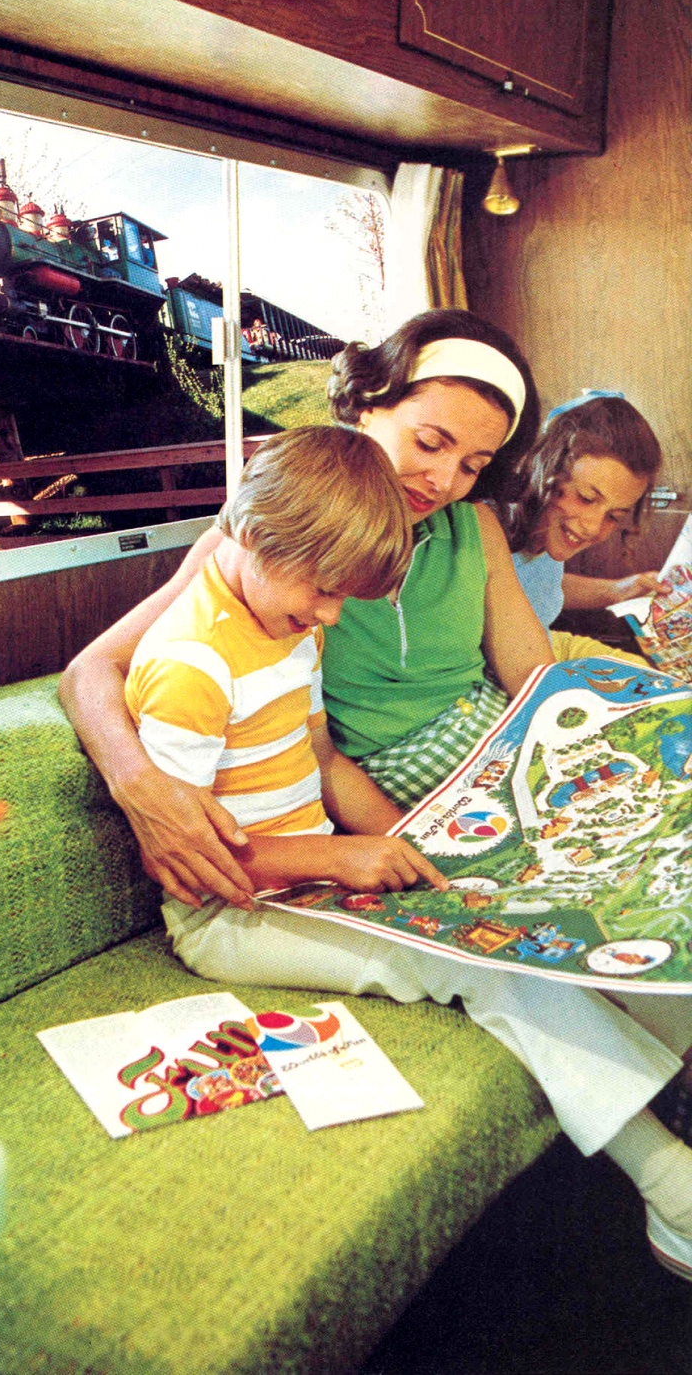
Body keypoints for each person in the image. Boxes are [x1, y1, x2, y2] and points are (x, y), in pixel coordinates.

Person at [58, 308, 692, 1280]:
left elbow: (530, 684)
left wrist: (624, 746)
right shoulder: (278, 543)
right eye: (428, 442)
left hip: (452, 794)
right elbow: (94, 670)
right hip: (317, 845)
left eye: (472, 464)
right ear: (364, 406)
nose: (440, 480)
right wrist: (143, 786)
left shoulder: (455, 537)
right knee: (508, 945)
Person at [126, 426, 447, 897]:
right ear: (254, 535)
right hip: (229, 905)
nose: (331, 617)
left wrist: (418, 848)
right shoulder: (191, 666)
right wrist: (335, 857)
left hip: (314, 881)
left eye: (344, 597)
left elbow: (324, 760)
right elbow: (181, 855)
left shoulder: (295, 627)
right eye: (325, 589)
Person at [496, 391, 663, 663]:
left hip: (544, 641)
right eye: (586, 499)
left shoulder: (548, 531)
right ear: (548, 470)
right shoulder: (488, 529)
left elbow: (541, 584)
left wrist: (619, 590)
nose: (593, 528)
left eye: (614, 516)